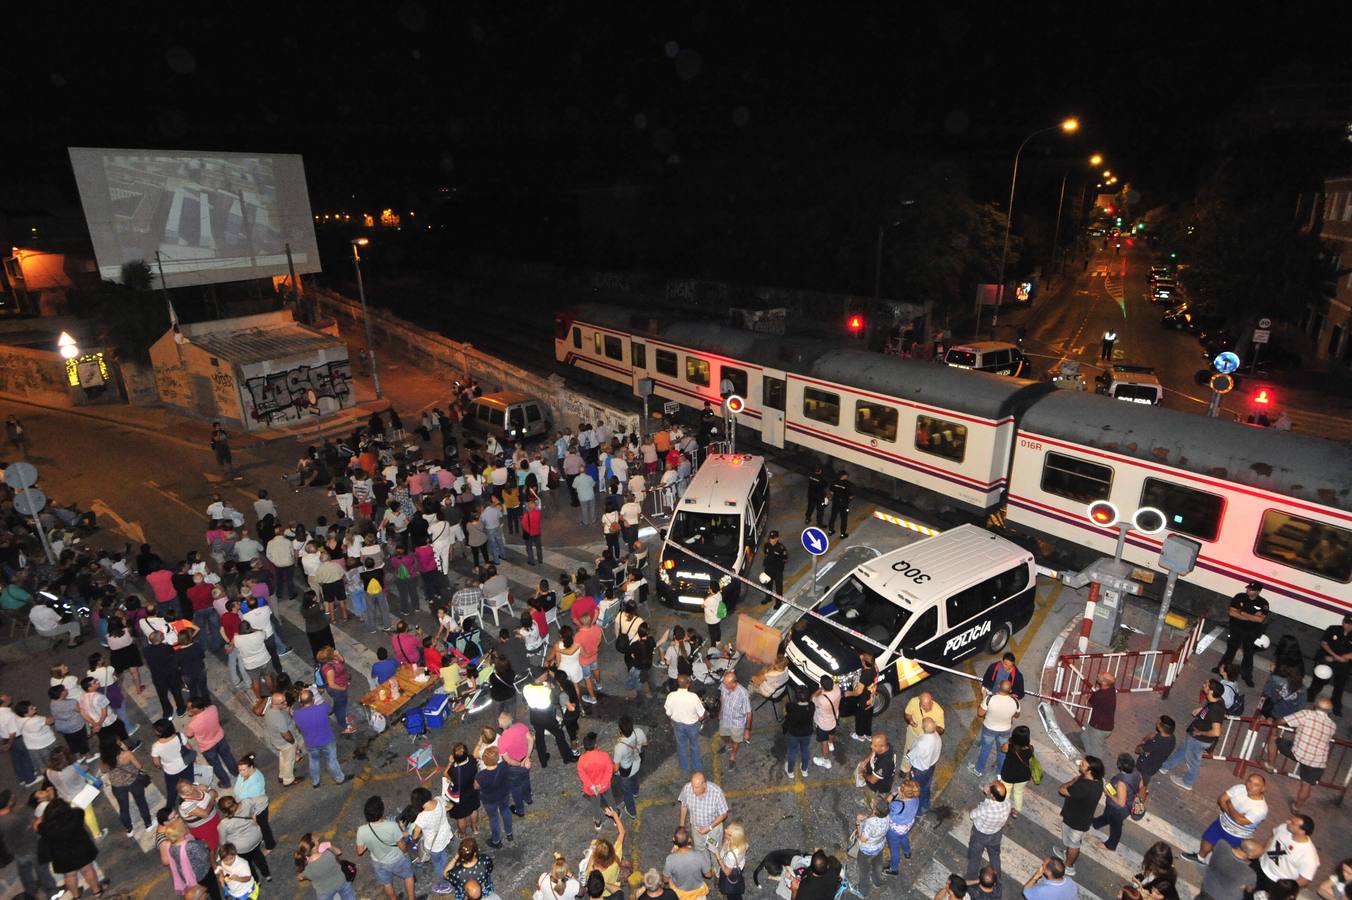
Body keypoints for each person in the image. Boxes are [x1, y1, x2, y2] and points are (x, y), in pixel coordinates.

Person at [1265, 697, 1336, 811]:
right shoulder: (1332, 725)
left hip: (1299, 752)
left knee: (1274, 738)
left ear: (1314, 706)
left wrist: (1274, 724)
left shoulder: (1306, 714)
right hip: (1318, 761)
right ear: (1330, 712)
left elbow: (1283, 721)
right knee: (1306, 785)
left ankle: (1270, 765)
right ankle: (1296, 807)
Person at [1182, 774, 1268, 865]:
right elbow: (1221, 799)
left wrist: (1229, 804)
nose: (1250, 786)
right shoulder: (1239, 788)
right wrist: (1235, 815)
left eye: (1256, 785)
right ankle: (1200, 858)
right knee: (1207, 840)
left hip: (1236, 835)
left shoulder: (1261, 809)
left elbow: (1240, 821)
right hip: (1221, 823)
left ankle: (1218, 870)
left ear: (1263, 789)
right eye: (1249, 781)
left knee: (1225, 856)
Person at [1161, 679, 1225, 791]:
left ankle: (1187, 782)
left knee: (1193, 762)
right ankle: (1166, 766)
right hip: (1193, 736)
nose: (1203, 685)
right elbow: (1210, 708)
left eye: (1206, 685)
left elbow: (1216, 732)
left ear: (1210, 691)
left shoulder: (1216, 710)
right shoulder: (1216, 700)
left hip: (1198, 740)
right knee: (1182, 750)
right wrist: (1201, 710)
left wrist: (1200, 732)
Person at [1053, 755, 1104, 877]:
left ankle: (1069, 866)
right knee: (1072, 842)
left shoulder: (1084, 787)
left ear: (1090, 771)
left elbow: (1062, 789)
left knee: (1074, 844)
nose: (1080, 764)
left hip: (1075, 821)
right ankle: (1067, 853)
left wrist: (1072, 781)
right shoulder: (1097, 780)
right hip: (1081, 817)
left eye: (1083, 765)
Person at [1214, 581, 1269, 687]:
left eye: (1251, 589)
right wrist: (1252, 617)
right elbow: (1232, 612)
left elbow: (1260, 620)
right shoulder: (1239, 597)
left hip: (1251, 632)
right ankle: (1221, 668)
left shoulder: (1263, 603)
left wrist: (1242, 613)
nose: (1248, 590)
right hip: (1236, 628)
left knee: (1248, 654)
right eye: (1248, 588)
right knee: (1231, 650)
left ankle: (1247, 676)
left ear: (1258, 591)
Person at [292, 687, 347, 788]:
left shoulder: (296, 714)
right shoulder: (323, 708)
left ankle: (315, 782)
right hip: (327, 740)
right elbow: (330, 710)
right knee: (331, 760)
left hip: (311, 743)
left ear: (301, 702)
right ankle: (339, 778)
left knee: (314, 761)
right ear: (313, 699)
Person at [1254, 814, 1320, 892]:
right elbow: (1272, 838)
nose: (1287, 822)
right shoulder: (1284, 828)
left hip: (1274, 882)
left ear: (1302, 831)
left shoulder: (1309, 856)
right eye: (1290, 820)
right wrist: (1261, 853)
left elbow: (1304, 880)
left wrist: (1283, 889)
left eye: (1292, 823)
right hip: (1261, 864)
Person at [1093, 753, 1142, 853]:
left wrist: (1108, 793)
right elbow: (1141, 786)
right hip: (1127, 803)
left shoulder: (1121, 783)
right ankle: (1097, 823)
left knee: (1115, 827)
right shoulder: (1137, 772)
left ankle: (1111, 845)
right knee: (1107, 816)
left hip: (1117, 810)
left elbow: (1121, 802)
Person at [217, 795, 270, 885]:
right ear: (235, 801)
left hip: (241, 848)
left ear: (223, 811)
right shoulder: (246, 803)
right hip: (256, 838)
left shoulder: (223, 824)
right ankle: (267, 874)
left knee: (247, 864)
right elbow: (264, 799)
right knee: (259, 856)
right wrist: (255, 815)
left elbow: (223, 842)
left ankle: (256, 881)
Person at [963, 779, 1010, 880]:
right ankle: (997, 879)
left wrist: (987, 795)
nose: (988, 785)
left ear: (993, 796)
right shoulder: (1007, 803)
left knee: (975, 858)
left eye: (990, 786)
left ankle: (971, 878)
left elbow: (972, 815)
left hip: (980, 835)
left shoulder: (986, 809)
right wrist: (989, 794)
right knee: (995, 855)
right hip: (996, 834)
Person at [185, 696, 237, 785]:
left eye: (190, 708)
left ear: (196, 709)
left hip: (207, 748)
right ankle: (236, 772)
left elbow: (189, 735)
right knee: (228, 757)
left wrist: (192, 716)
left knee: (216, 766)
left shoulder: (192, 724)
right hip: (220, 739)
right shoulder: (213, 708)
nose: (188, 709)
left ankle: (225, 782)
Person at [1307, 613, 1352, 716]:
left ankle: (1336, 706)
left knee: (1340, 685)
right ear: (1343, 621)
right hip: (1327, 658)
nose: (1348, 626)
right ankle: (1310, 696)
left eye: (1351, 624)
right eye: (1347, 622)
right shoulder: (1333, 629)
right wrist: (1334, 656)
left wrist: (1341, 658)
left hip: (1342, 662)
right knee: (1319, 678)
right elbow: (1324, 643)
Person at [972, 679, 1019, 775]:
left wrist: (983, 698)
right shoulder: (1015, 702)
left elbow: (980, 713)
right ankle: (999, 773)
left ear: (998, 687)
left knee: (985, 749)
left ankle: (978, 770)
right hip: (1005, 730)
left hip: (989, 729)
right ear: (1010, 691)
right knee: (1002, 752)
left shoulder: (990, 699)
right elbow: (1017, 715)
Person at [411, 784, 457, 881]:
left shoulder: (421, 817)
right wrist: (443, 811)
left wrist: (413, 838)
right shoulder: (439, 800)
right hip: (446, 836)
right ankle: (446, 867)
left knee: (437, 864)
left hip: (433, 845)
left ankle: (444, 883)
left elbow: (415, 835)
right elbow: (451, 806)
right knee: (443, 855)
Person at [679, 771, 730, 855]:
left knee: (715, 852)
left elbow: (724, 814)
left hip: (712, 831)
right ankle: (705, 867)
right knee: (700, 852)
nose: (693, 790)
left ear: (704, 785)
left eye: (697, 787)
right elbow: (684, 806)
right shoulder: (687, 788)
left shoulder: (716, 793)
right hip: (696, 830)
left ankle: (716, 868)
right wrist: (681, 826)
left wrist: (708, 828)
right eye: (692, 786)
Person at [666, 674, 706, 776]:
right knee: (695, 745)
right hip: (692, 726)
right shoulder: (693, 697)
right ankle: (697, 767)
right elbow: (701, 715)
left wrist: (674, 721)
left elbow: (668, 713)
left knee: (681, 746)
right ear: (688, 684)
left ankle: (684, 767)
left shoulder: (671, 696)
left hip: (678, 725)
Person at [1198, 838, 1264, 900]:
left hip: (1207, 886)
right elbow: (1250, 889)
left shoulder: (1221, 844)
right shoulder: (1250, 873)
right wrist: (1246, 886)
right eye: (1257, 856)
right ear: (1251, 856)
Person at [295, 832, 355, 900]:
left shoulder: (304, 868)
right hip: (341, 882)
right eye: (316, 840)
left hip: (324, 891)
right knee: (349, 896)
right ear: (314, 848)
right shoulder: (328, 854)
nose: (318, 840)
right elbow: (339, 852)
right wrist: (329, 846)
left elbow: (300, 877)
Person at [475, 746, 515, 848]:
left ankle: (496, 840)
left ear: (483, 760)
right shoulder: (504, 766)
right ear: (497, 758)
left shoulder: (481, 776)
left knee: (493, 818)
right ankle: (509, 833)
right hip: (503, 794)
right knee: (505, 811)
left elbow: (476, 786)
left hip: (489, 800)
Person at [664, 826, 714, 900]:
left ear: (674, 840)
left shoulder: (670, 859)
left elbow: (665, 880)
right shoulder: (699, 855)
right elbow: (708, 875)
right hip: (698, 892)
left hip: (680, 894)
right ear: (689, 840)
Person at [612, 714, 648, 819]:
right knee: (635, 779)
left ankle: (632, 811)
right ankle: (636, 792)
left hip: (626, 772)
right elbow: (645, 743)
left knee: (627, 793)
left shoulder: (619, 747)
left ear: (620, 730)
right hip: (637, 763)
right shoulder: (639, 732)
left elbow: (616, 768)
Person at [905, 716, 941, 814]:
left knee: (915, 791)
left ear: (924, 727)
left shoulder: (922, 743)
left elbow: (911, 755)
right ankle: (926, 803)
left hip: (919, 771)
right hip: (931, 767)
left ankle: (917, 811)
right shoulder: (937, 735)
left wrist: (909, 752)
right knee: (926, 786)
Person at [716, 672, 752, 767]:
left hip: (737, 723)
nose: (723, 685)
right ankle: (728, 744)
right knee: (723, 734)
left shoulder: (743, 693)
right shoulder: (724, 686)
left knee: (736, 741)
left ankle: (733, 756)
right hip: (725, 718)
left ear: (733, 683)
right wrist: (720, 711)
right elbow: (722, 698)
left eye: (726, 684)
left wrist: (747, 730)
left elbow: (749, 713)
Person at [1000, 725, 1034, 817]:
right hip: (1023, 775)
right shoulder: (1030, 748)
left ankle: (1003, 808)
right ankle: (1016, 811)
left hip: (1008, 774)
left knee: (1006, 791)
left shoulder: (1008, 747)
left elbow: (1002, 748)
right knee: (1018, 793)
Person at [1082, 672, 1117, 761]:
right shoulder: (1111, 689)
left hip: (1099, 728)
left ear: (1105, 683)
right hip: (1104, 725)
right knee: (1085, 737)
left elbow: (1089, 703)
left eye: (1101, 677)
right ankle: (1089, 757)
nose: (1098, 676)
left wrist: (1087, 699)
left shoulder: (1099, 695)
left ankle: (1095, 769)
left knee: (1096, 753)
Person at [1135, 715, 1176, 786]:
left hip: (1146, 766)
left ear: (1160, 728)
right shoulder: (1172, 738)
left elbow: (1138, 750)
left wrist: (1144, 740)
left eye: (1158, 721)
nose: (1156, 721)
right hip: (1156, 765)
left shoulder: (1156, 742)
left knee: (1143, 782)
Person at [811, 675, 841, 769]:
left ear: (822, 685)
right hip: (834, 718)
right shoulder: (837, 689)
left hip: (823, 724)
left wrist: (820, 689)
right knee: (831, 732)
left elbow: (812, 698)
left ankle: (826, 761)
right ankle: (831, 744)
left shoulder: (821, 699)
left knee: (823, 742)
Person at [826, 471, 852, 537]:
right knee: (844, 519)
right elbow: (851, 495)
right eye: (846, 476)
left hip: (835, 502)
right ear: (843, 476)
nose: (847, 477)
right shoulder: (847, 484)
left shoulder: (834, 482)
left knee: (833, 516)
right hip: (844, 504)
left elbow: (831, 492)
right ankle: (842, 534)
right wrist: (848, 499)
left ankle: (830, 531)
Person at [804, 463, 827, 527]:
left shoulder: (810, 475)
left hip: (811, 494)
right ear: (820, 471)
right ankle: (819, 523)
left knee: (810, 507)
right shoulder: (822, 479)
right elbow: (824, 486)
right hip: (819, 496)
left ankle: (807, 519)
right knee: (820, 510)